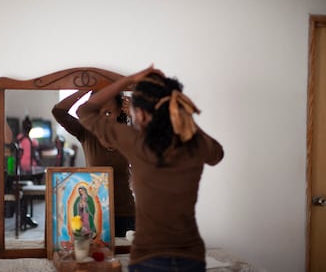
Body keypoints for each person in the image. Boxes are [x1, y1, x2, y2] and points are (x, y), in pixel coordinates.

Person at [77, 66, 224, 271]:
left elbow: (84, 111)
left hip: (148, 257)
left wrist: (128, 80)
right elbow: (218, 154)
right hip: (191, 256)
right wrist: (184, 116)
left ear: (143, 115)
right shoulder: (195, 144)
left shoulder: (135, 142)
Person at [52, 90, 136, 237]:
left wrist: (134, 115)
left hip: (125, 212)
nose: (102, 117)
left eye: (108, 112)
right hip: (95, 212)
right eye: (97, 111)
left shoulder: (128, 132)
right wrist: (85, 89)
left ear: (120, 110)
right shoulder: (85, 131)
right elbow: (58, 112)